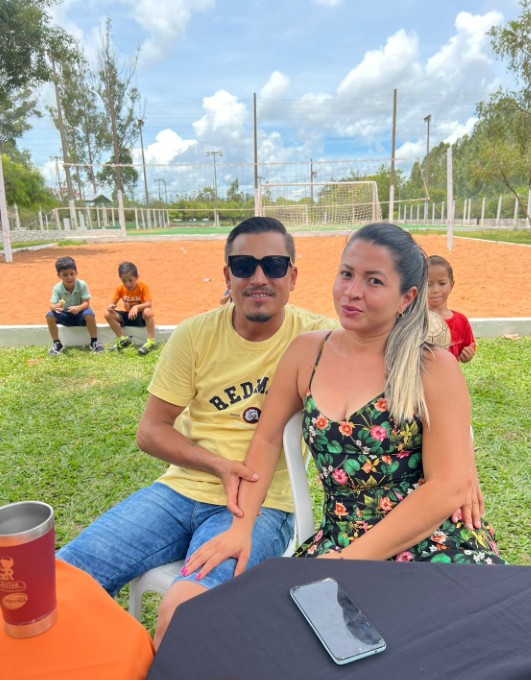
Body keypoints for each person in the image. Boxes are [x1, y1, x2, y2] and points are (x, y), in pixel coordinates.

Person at [57, 216, 336, 647]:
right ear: (227, 276)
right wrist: (219, 465)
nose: (258, 278)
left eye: (274, 265)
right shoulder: (195, 334)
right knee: (60, 578)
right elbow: (151, 431)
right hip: (178, 492)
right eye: (243, 266)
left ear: (293, 276)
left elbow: (390, 348)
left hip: (260, 506)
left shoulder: (319, 338)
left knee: (185, 614)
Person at [182, 223, 503, 582]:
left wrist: (346, 561)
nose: (352, 292)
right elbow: (267, 439)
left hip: (432, 543)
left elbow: (445, 488)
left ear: (406, 298)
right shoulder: (307, 352)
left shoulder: (430, 365)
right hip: (339, 538)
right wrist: (241, 530)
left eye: (374, 281)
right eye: (347, 274)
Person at [46, 256, 104, 355]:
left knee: (89, 314)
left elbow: (86, 303)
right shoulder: (57, 288)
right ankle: (56, 343)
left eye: (72, 274)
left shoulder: (81, 285)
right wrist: (54, 307)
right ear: (59, 275)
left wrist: (78, 308)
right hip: (65, 315)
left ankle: (94, 341)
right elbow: (52, 305)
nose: (69, 277)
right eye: (65, 275)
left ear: (76, 272)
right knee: (49, 315)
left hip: (80, 314)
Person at [427, 255, 476, 363]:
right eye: (429, 284)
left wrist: (467, 355)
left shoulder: (461, 321)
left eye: (442, 284)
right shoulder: (415, 320)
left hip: (450, 373)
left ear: (451, 285)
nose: (435, 290)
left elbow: (469, 347)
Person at [105, 261, 156, 355]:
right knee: (107, 314)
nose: (128, 284)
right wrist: (110, 306)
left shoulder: (143, 287)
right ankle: (122, 339)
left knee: (148, 311)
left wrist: (137, 307)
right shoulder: (120, 288)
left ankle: (150, 341)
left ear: (137, 277)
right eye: (124, 281)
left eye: (131, 280)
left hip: (140, 316)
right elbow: (112, 304)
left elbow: (149, 304)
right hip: (128, 316)